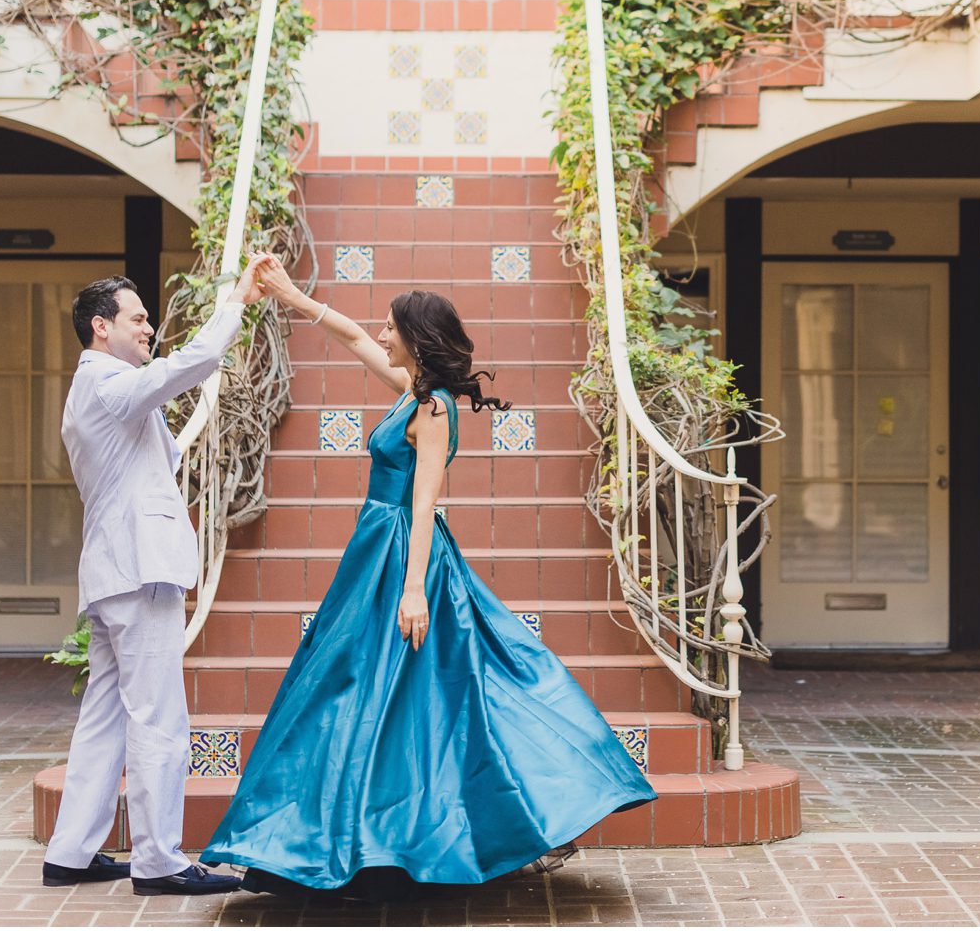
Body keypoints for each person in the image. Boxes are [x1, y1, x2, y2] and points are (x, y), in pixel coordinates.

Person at [201, 255, 653, 896]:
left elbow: (425, 502)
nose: (381, 335)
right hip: (373, 549)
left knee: (418, 696)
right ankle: (355, 840)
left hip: (404, 555)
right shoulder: (410, 390)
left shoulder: (436, 409)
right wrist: (289, 295)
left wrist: (415, 590)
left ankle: (411, 839)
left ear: (414, 339)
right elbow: (353, 337)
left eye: (391, 328)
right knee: (354, 687)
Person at [41, 262, 267, 897]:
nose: (148, 328)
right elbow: (184, 368)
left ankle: (71, 852)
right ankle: (160, 860)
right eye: (137, 318)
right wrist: (236, 306)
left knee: (106, 715)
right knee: (158, 716)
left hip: (117, 569)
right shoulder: (108, 380)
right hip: (137, 571)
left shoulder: (98, 386)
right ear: (100, 327)